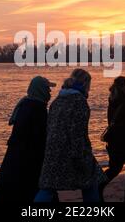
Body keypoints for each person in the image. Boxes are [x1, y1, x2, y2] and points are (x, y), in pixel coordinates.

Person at [34, 69, 106, 202]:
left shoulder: (57, 101)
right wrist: (80, 156)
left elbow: (50, 127)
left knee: (48, 187)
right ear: (85, 84)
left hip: (52, 151)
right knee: (91, 182)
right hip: (71, 152)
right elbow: (78, 132)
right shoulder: (79, 102)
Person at [0, 76, 56, 202]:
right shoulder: (37, 109)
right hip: (28, 161)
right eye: (47, 89)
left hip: (17, 159)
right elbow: (39, 138)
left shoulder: (27, 105)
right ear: (40, 90)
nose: (50, 92)